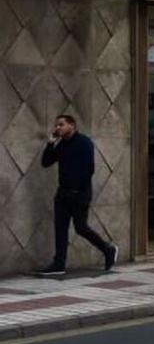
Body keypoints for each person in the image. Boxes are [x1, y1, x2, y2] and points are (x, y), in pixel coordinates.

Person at [37, 115, 117, 275]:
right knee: (60, 229)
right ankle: (59, 264)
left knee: (81, 227)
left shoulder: (84, 143)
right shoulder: (61, 145)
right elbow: (46, 162)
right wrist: (50, 143)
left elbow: (89, 169)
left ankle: (108, 249)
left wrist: (77, 189)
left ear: (72, 125)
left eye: (61, 124)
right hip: (62, 194)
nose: (58, 128)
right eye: (56, 125)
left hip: (80, 193)